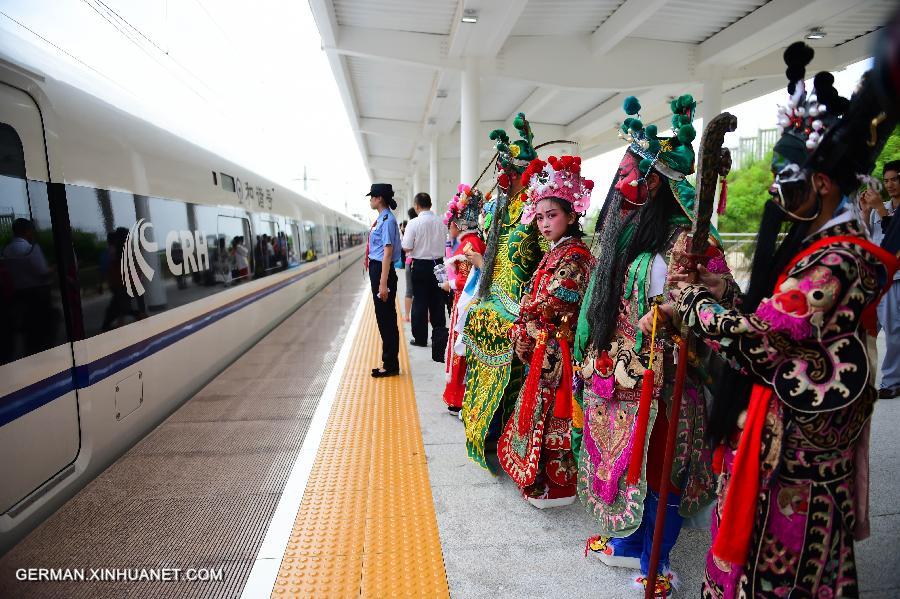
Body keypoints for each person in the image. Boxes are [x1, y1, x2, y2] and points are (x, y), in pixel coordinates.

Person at [666, 43, 897, 598]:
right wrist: (722, 290)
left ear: (821, 182)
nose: (774, 190)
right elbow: (772, 310)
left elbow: (764, 338)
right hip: (792, 434)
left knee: (786, 562)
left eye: (784, 177)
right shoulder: (818, 246)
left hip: (799, 448)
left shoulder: (841, 258)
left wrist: (696, 304)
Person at [575, 95, 737, 597]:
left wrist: (676, 308)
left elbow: (723, 297)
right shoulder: (630, 241)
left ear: (654, 187)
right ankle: (629, 545)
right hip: (623, 373)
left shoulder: (689, 243)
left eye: (630, 179)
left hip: (668, 379)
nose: (620, 191)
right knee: (631, 465)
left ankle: (656, 560)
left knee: (665, 467)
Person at [497, 155, 595, 508]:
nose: (543, 223)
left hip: (561, 349)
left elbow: (556, 300)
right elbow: (536, 298)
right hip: (546, 345)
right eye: (539, 216)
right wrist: (526, 323)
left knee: (557, 414)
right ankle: (544, 481)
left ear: (571, 215)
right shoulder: (557, 252)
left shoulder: (576, 255)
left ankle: (559, 486)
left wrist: (525, 320)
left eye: (551, 215)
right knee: (543, 412)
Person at [461, 113, 545, 470]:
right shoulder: (500, 209)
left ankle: (503, 438)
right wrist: (476, 264)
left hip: (518, 311)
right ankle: (483, 432)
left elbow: (546, 260)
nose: (503, 179)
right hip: (491, 305)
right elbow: (492, 264)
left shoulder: (535, 212)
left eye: (511, 172)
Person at [440, 184, 486, 412]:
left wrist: (449, 284)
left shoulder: (469, 244)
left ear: (457, 224)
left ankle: (458, 397)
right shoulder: (471, 242)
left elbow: (467, 280)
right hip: (464, 300)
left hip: (464, 302)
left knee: (460, 346)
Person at [861, 159, 900, 398]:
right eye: (886, 181)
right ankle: (864, 379)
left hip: (895, 277)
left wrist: (882, 211)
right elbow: (867, 237)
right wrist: (866, 212)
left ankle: (892, 381)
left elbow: (894, 233)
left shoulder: (885, 209)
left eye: (895, 179)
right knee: (867, 330)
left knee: (894, 330)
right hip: (875, 275)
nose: (890, 185)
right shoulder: (880, 207)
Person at [402, 192, 449, 362]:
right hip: (439, 264)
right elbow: (446, 244)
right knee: (438, 300)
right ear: (430, 204)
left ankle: (420, 338)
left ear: (416, 206)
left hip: (420, 265)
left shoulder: (414, 223)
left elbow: (406, 247)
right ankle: (439, 336)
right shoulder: (441, 222)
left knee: (420, 301)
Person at [366, 183, 402, 378]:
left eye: (372, 196)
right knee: (384, 318)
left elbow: (387, 253)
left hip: (382, 270)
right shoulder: (382, 218)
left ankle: (390, 365)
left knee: (386, 318)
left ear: (379, 198)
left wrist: (382, 283)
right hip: (379, 269)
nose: (370, 200)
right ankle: (389, 361)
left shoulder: (386, 220)